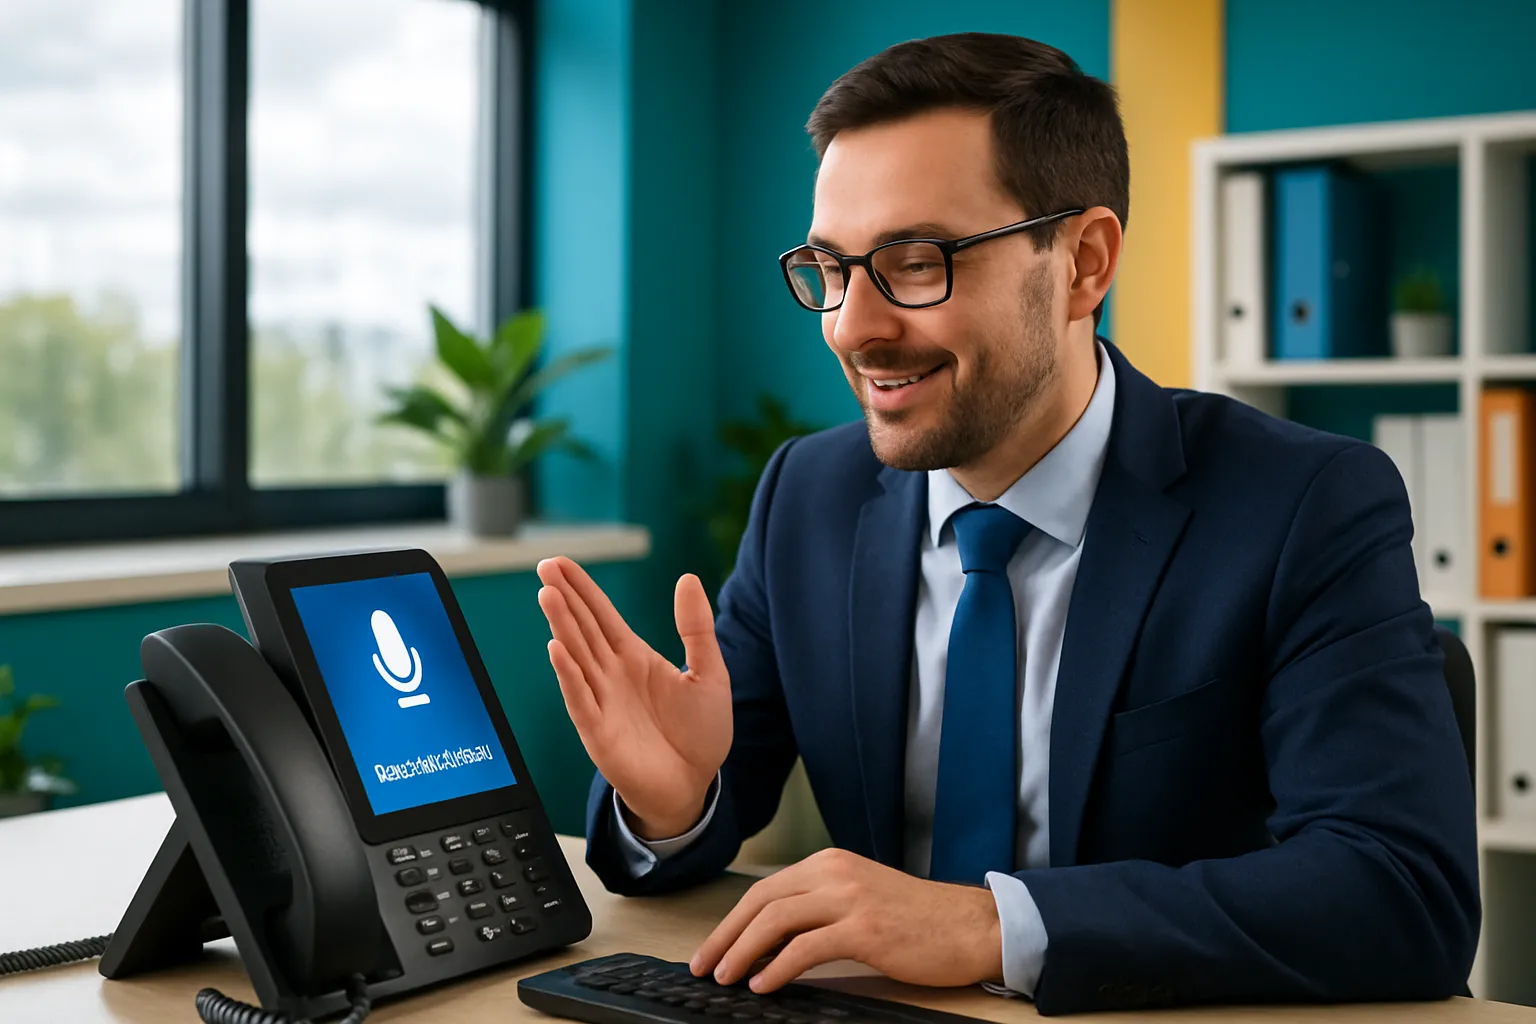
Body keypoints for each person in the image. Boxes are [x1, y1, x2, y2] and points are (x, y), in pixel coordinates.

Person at [534, 32, 1479, 1015]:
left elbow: (1401, 890)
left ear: (1083, 263)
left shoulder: (1303, 504)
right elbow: (689, 827)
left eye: (916, 260)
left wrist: (987, 925)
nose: (853, 326)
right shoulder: (808, 496)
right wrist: (675, 801)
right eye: (832, 267)